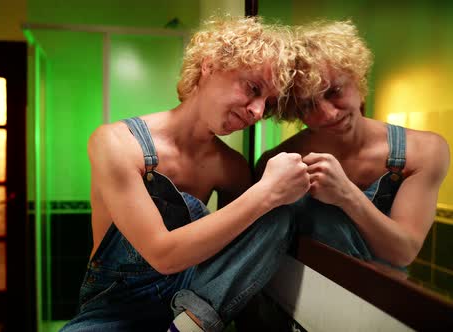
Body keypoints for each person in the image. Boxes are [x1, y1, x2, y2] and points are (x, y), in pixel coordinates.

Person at [59, 16, 311, 332]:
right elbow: (162, 255)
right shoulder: (116, 142)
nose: (258, 112)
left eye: (268, 105)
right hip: (113, 313)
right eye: (253, 88)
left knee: (278, 216)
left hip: (194, 306)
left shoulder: (231, 167)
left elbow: (239, 256)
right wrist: (266, 192)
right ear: (210, 66)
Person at [254, 20, 450, 269]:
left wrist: (345, 194)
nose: (328, 115)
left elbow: (404, 252)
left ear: (358, 80)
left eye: (334, 91)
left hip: (379, 302)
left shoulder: (424, 151)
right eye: (307, 105)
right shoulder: (278, 160)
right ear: (295, 112)